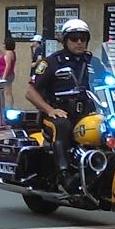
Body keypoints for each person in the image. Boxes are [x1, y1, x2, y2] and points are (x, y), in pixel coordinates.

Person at [26, 17, 94, 191]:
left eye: (83, 38)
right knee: (62, 126)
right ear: (65, 40)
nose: (79, 42)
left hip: (86, 114)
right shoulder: (52, 62)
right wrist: (50, 109)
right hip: (58, 113)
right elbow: (30, 92)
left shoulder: (93, 62)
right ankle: (64, 175)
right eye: (74, 38)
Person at [0, 36, 17, 109]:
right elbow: (3, 55)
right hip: (7, 74)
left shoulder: (9, 53)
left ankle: (9, 107)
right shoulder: (9, 53)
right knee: (6, 92)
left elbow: (8, 65)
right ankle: (7, 107)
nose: (3, 45)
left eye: (4, 44)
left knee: (8, 92)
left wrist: (4, 77)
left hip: (7, 75)